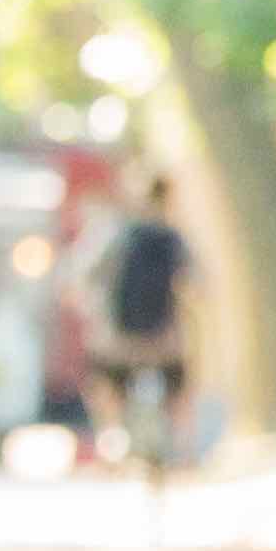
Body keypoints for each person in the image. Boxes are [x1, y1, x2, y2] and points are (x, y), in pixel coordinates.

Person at [87, 165, 198, 475]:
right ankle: (184, 451)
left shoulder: (116, 234)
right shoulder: (174, 237)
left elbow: (89, 274)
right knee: (179, 390)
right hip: (165, 338)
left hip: (119, 340)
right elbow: (196, 280)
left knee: (105, 387)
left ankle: (109, 447)